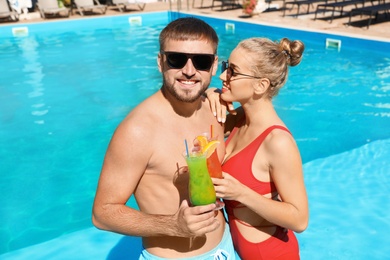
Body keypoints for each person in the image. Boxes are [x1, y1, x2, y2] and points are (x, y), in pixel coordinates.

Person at [92, 17, 237, 259]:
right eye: (177, 59)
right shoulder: (138, 130)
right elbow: (102, 213)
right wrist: (173, 226)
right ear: (160, 62)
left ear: (213, 66)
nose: (189, 71)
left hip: (224, 247)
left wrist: (217, 94)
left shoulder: (214, 109)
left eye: (200, 61)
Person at [207, 37, 309, 259]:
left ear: (260, 85)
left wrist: (240, 193)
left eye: (233, 72)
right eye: (226, 67)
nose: (223, 76)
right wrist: (210, 94)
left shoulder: (277, 142)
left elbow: (300, 219)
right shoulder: (239, 120)